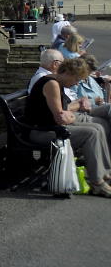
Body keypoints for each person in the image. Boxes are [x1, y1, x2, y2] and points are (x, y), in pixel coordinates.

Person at [24, 57, 111, 196]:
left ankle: (105, 175)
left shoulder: (56, 81)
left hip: (49, 127)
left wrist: (68, 114)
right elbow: (61, 118)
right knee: (91, 133)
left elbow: (65, 112)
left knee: (98, 128)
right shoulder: (51, 84)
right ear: (68, 73)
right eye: (76, 79)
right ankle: (97, 183)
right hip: (40, 132)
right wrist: (69, 115)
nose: (76, 84)